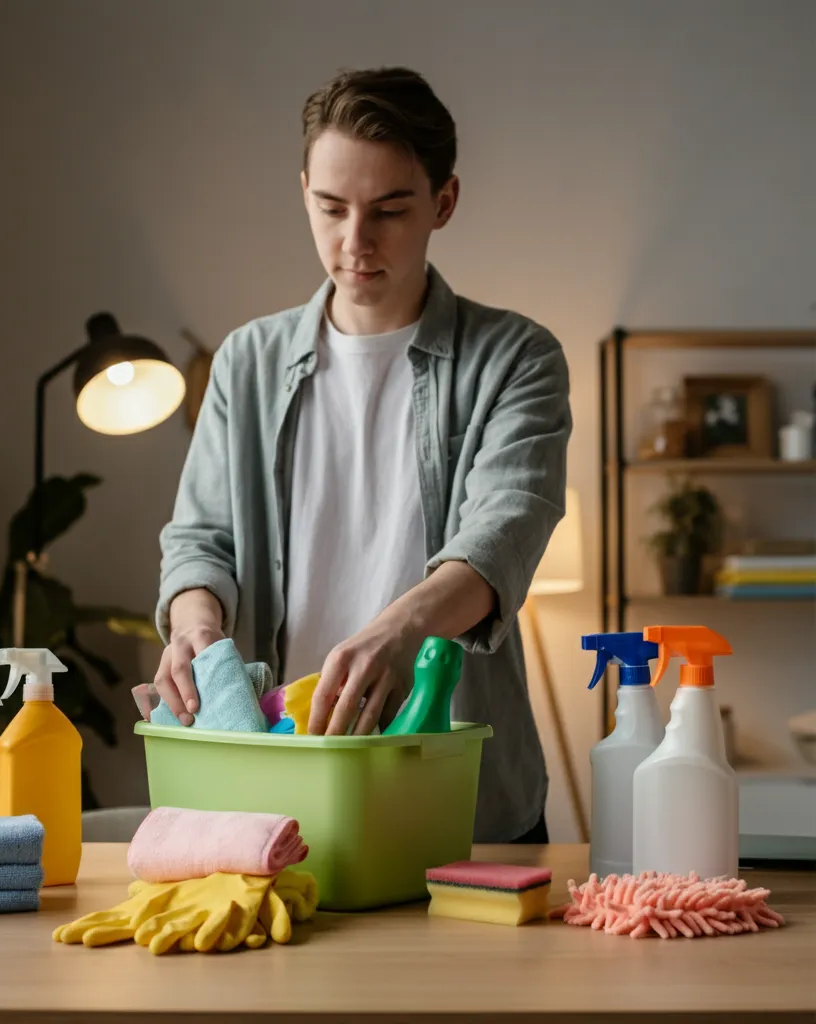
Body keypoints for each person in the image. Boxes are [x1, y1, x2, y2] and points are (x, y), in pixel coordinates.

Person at [152, 66, 571, 844]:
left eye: (389, 210)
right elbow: (200, 540)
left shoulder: (517, 358)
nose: (355, 242)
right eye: (331, 207)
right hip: (276, 791)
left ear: (444, 202)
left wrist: (401, 630)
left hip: (461, 798)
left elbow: (505, 532)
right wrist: (195, 627)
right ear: (304, 188)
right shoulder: (245, 361)